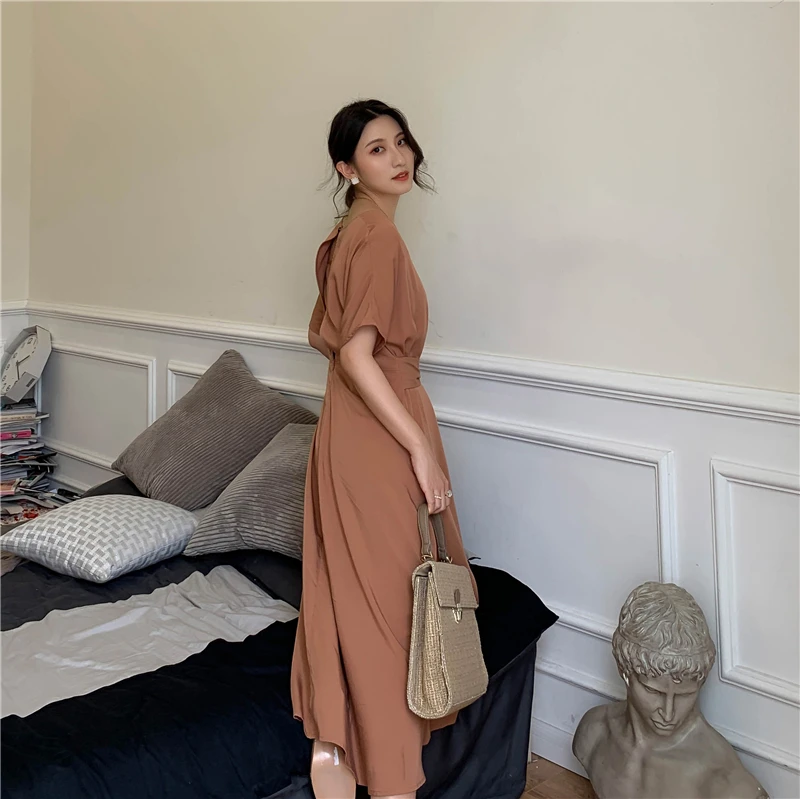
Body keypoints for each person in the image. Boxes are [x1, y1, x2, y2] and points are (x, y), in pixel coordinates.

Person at [290, 99, 476, 799]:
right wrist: (419, 447)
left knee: (354, 592)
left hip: (348, 426)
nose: (398, 158)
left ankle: (335, 746)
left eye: (401, 142)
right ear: (346, 167)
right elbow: (356, 354)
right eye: (376, 149)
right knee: (397, 607)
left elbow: (328, 339)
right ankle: (393, 777)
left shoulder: (343, 236)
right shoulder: (377, 238)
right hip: (379, 431)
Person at [572, 582, 769, 799]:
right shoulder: (594, 732)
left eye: (685, 694)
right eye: (653, 691)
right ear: (624, 670)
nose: (668, 713)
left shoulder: (725, 785)